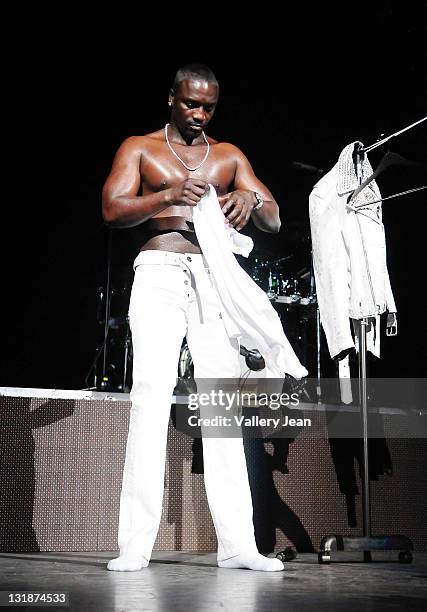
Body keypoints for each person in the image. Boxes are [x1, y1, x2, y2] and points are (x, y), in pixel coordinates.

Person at [102, 63, 285, 572]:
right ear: (171, 99)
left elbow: (273, 216)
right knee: (151, 398)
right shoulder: (139, 148)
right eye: (190, 104)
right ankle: (135, 545)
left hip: (213, 278)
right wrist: (166, 196)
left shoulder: (227, 155)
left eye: (208, 106)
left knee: (221, 404)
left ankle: (239, 547)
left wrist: (250, 197)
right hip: (159, 270)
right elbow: (112, 210)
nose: (199, 114)